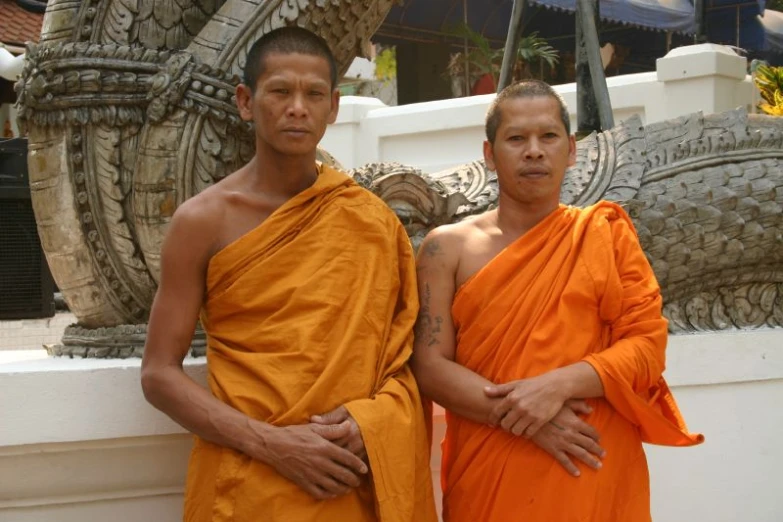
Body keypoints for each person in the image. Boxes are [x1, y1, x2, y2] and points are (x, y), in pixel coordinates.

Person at [140, 26, 437, 522]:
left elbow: (399, 360)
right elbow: (158, 374)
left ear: (333, 107)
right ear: (245, 101)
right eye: (280, 91)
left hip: (348, 474)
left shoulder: (371, 219)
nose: (297, 107)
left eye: (314, 94)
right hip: (249, 479)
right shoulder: (202, 221)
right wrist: (277, 445)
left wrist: (371, 423)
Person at [411, 80, 703, 522]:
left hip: (589, 463)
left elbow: (646, 347)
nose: (533, 151)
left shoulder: (605, 234)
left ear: (571, 150)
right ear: (490, 154)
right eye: (516, 138)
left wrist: (558, 385)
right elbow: (429, 365)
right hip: (492, 472)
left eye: (547, 136)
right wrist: (527, 417)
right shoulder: (446, 248)